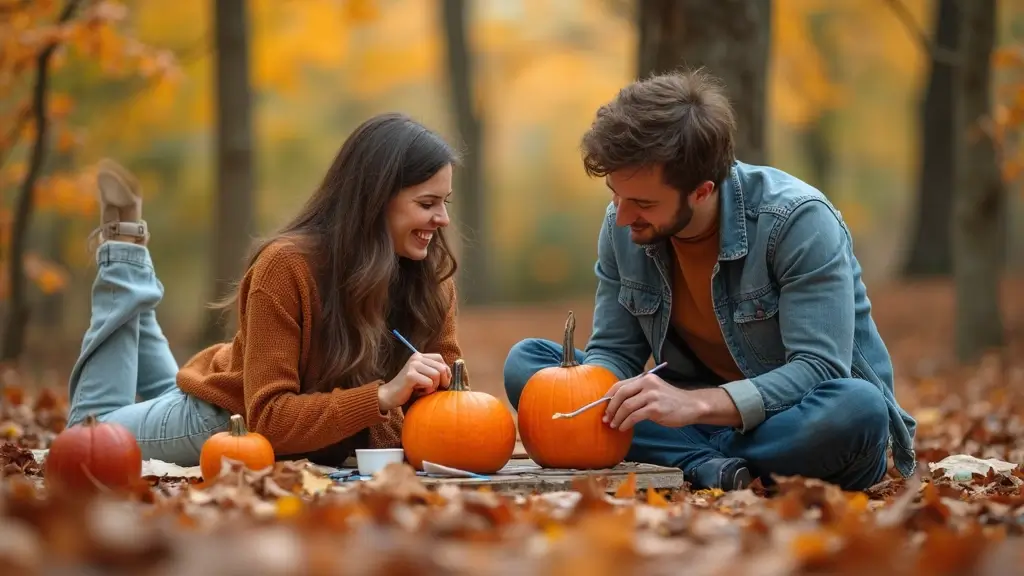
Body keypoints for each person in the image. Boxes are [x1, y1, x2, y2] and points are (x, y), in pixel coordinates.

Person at [503, 69, 917, 492]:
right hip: (690, 424)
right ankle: (708, 463)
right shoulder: (623, 226)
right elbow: (613, 352)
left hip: (786, 420)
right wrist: (591, 397)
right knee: (530, 364)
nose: (622, 216)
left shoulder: (797, 221)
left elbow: (818, 369)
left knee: (859, 407)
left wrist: (695, 404)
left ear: (702, 191)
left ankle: (693, 460)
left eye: (643, 202)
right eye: (615, 193)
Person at [67, 112, 465, 467]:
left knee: (154, 392)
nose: (443, 219)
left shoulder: (432, 281)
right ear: (375, 200)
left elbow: (447, 407)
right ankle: (123, 252)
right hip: (224, 421)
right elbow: (268, 418)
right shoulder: (287, 266)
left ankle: (139, 300)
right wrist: (381, 397)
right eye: (427, 203)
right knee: (86, 436)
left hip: (275, 407)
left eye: (445, 202)